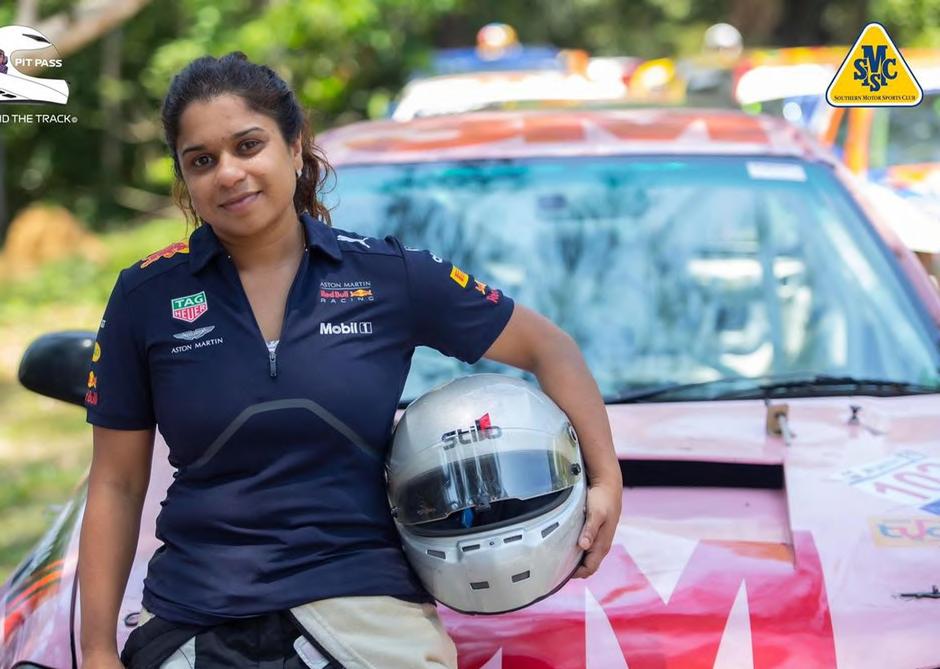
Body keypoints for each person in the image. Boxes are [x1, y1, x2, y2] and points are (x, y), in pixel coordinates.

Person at [78, 52, 622, 669]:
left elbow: (550, 347)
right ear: (184, 178)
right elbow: (117, 483)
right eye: (201, 160)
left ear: (294, 147)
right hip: (196, 618)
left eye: (248, 145)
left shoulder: (387, 275)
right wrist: (97, 650)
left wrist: (606, 481)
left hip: (365, 614)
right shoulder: (146, 296)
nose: (228, 173)